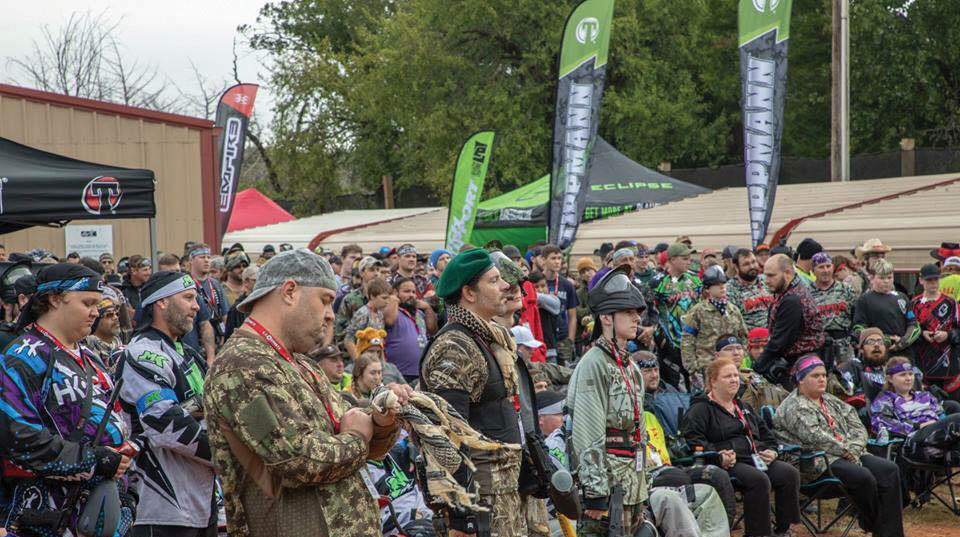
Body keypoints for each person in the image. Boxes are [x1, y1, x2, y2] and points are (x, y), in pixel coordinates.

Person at [204, 249, 410, 537]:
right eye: (325, 300)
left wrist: (382, 417)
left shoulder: (297, 362)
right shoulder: (242, 365)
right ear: (289, 291)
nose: (330, 315)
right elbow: (298, 459)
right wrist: (357, 437)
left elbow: (350, 419)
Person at [0, 264, 135, 537]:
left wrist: (129, 494)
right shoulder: (24, 356)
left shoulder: (90, 357)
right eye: (87, 303)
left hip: (100, 510)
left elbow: (117, 423)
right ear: (54, 298)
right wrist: (93, 461)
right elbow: (17, 436)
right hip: (44, 515)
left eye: (97, 305)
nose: (96, 312)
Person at [419, 248, 525, 536]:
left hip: (498, 494)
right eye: (494, 281)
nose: (505, 286)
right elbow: (445, 438)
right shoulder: (455, 347)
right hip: (478, 506)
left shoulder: (485, 338)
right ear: (469, 293)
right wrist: (460, 516)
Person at [116, 271, 217, 536]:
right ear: (161, 302)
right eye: (188, 298)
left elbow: (212, 405)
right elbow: (165, 422)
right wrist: (227, 454)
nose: (197, 306)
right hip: (163, 505)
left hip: (201, 500)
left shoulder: (189, 354)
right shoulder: (142, 352)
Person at [774, 355, 905, 537]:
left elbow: (857, 424)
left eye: (823, 375)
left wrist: (854, 449)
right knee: (863, 476)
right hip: (816, 463)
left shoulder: (829, 399)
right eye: (815, 376)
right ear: (800, 380)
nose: (822, 379)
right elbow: (815, 437)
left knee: (889, 470)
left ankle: (890, 533)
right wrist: (847, 451)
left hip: (850, 454)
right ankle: (875, 525)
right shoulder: (793, 406)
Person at [567, 266, 649, 536]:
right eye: (628, 312)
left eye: (637, 312)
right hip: (609, 489)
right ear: (606, 317)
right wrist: (595, 492)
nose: (637, 317)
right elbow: (587, 433)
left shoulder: (630, 366)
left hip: (633, 484)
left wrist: (643, 483)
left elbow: (639, 429)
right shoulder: (594, 364)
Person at [681, 358, 800, 537]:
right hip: (728, 462)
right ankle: (758, 534)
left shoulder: (743, 407)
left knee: (789, 473)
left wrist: (772, 451)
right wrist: (718, 455)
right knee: (759, 480)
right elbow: (693, 441)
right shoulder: (700, 409)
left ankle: (783, 530)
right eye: (728, 376)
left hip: (754, 458)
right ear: (713, 381)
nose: (734, 379)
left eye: (736, 375)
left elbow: (768, 435)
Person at [870, 357, 960, 465]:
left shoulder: (925, 396)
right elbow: (880, 423)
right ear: (890, 378)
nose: (908, 378)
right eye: (902, 375)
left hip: (940, 439)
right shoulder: (885, 400)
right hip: (913, 442)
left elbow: (941, 416)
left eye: (910, 374)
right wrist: (917, 426)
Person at [754, 254, 825, 386]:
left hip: (801, 370)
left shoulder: (792, 299)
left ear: (787, 273)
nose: (766, 281)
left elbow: (779, 343)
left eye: (771, 276)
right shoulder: (786, 292)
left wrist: (756, 369)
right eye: (765, 276)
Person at [681, 266, 747, 391]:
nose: (722, 287)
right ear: (707, 289)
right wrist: (692, 367)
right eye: (717, 285)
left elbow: (743, 336)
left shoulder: (733, 310)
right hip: (705, 367)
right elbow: (687, 340)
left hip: (730, 367)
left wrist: (740, 356)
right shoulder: (698, 312)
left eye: (723, 284)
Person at [652, 242, 703, 390]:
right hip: (670, 343)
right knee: (675, 384)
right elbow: (649, 311)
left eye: (689, 258)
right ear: (672, 259)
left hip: (694, 340)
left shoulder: (695, 280)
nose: (689, 261)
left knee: (697, 383)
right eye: (685, 258)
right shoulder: (659, 282)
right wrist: (658, 337)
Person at [852, 259, 919, 358]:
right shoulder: (864, 299)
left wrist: (903, 341)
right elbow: (859, 328)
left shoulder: (902, 297)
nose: (886, 281)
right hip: (878, 354)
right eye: (882, 278)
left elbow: (914, 324)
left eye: (889, 277)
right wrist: (885, 340)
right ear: (872, 278)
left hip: (904, 352)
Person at [911, 263, 960, 394]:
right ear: (921, 280)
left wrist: (947, 335)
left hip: (949, 366)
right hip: (923, 364)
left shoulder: (951, 303)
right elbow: (908, 330)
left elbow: (958, 331)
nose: (933, 283)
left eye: (936, 279)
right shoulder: (914, 304)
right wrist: (922, 333)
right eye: (929, 280)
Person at [384, 276, 436, 383]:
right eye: (406, 291)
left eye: (413, 292)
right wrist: (393, 299)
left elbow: (432, 329)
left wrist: (427, 308)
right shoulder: (394, 311)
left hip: (420, 373)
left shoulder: (419, 313)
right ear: (396, 293)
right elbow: (389, 320)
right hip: (398, 373)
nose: (411, 295)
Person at [809, 252, 857, 366]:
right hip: (818, 345)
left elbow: (856, 316)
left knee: (848, 377)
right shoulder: (806, 293)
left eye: (828, 266)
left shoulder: (846, 289)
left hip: (844, 345)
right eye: (821, 267)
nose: (825, 270)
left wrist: (853, 338)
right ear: (813, 270)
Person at [541, 244, 578, 365]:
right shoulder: (537, 282)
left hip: (562, 337)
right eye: (553, 258)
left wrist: (570, 341)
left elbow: (572, 316)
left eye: (559, 258)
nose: (557, 262)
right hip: (543, 335)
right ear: (543, 260)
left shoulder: (567, 284)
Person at [335, 256, 385, 344]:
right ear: (361, 273)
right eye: (371, 270)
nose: (376, 273)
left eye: (378, 270)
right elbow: (340, 330)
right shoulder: (351, 299)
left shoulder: (384, 298)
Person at [726, 249, 773, 332]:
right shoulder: (730, 289)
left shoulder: (767, 280)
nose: (752, 266)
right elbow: (732, 324)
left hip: (775, 335)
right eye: (746, 264)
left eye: (754, 262)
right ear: (736, 267)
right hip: (751, 340)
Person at [839, 327, 890, 403]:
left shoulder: (891, 370)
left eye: (880, 342)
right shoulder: (853, 366)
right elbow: (845, 396)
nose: (876, 345)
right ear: (861, 349)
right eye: (870, 342)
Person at [344, 278, 390, 360]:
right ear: (372, 296)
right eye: (384, 298)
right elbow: (348, 339)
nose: (387, 301)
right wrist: (357, 361)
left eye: (388, 298)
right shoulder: (363, 313)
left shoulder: (380, 314)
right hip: (363, 357)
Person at [85, 287, 125, 370]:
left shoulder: (122, 347)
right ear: (96, 321)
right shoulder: (87, 351)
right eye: (109, 315)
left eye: (116, 314)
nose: (115, 318)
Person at [224, 264, 259, 340]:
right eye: (256, 280)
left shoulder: (264, 304)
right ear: (246, 281)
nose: (259, 283)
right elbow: (229, 338)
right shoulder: (237, 309)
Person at [122, 254, 153, 318]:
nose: (149, 273)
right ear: (133, 271)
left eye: (149, 269)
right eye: (145, 270)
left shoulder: (150, 288)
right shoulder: (123, 290)